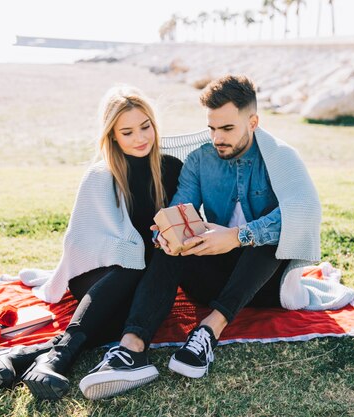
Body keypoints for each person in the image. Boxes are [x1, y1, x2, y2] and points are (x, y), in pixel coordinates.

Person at [79, 75, 322, 400]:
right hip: (210, 280)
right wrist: (168, 234)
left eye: (227, 129)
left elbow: (303, 213)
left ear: (253, 121)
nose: (217, 138)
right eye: (212, 128)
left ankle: (208, 332)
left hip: (264, 284)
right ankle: (132, 350)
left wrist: (239, 236)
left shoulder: (280, 157)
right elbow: (181, 208)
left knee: (268, 241)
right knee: (173, 242)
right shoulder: (199, 160)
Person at [0, 85, 183, 401]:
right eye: (127, 131)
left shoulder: (171, 169)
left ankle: (24, 357)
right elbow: (80, 244)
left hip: (144, 279)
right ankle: (61, 358)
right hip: (97, 275)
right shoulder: (101, 176)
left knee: (127, 317)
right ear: (113, 136)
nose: (140, 138)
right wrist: (138, 250)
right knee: (134, 264)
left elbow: (183, 222)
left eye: (146, 127)